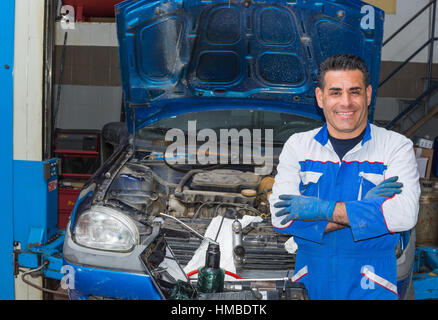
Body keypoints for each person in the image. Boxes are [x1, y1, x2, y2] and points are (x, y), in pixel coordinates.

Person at [269, 54, 421, 300]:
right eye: (336, 92)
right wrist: (367, 211)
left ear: (368, 95)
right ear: (320, 97)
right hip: (310, 282)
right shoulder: (298, 145)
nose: (346, 102)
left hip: (372, 284)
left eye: (355, 91)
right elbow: (281, 218)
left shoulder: (395, 147)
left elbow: (403, 215)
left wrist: (320, 209)